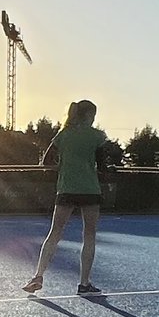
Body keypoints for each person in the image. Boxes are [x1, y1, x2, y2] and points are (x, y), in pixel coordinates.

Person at [23, 100, 107, 296]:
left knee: (55, 233)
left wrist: (64, 166)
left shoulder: (64, 134)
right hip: (90, 191)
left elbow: (46, 161)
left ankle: (38, 276)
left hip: (66, 189)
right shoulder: (97, 136)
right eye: (93, 115)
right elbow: (102, 166)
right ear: (89, 115)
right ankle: (84, 283)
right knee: (89, 235)